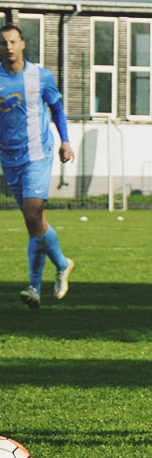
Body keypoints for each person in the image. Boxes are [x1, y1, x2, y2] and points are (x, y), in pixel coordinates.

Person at [1, 24, 76, 309]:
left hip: (38, 155)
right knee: (34, 224)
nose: (8, 46)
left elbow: (56, 108)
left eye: (12, 41)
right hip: (10, 159)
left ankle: (36, 284)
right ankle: (57, 268)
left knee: (34, 213)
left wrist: (65, 141)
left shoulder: (40, 76)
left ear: (23, 44)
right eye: (3, 42)